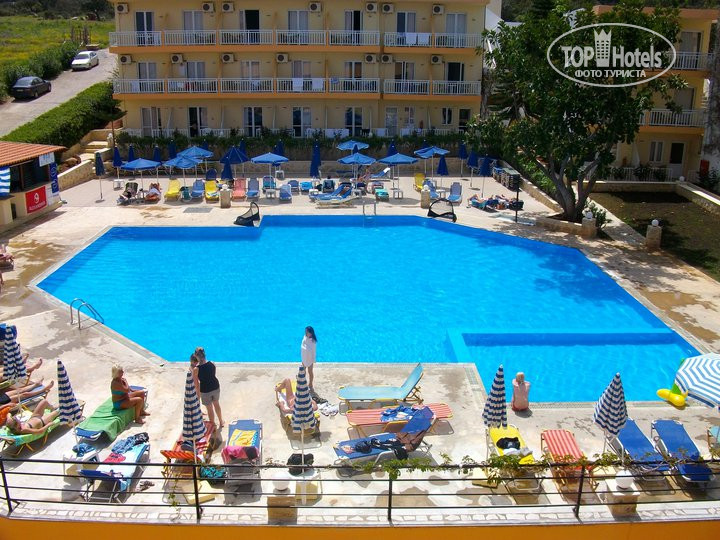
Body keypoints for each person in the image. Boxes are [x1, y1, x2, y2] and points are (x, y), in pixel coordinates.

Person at [193, 347, 223, 427]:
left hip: (205, 390)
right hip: (215, 387)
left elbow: (196, 384)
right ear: (204, 354)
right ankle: (221, 421)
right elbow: (212, 375)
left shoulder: (196, 369)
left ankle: (213, 426)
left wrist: (198, 395)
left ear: (196, 356)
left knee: (209, 409)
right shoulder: (212, 363)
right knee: (216, 404)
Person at [301, 326, 317, 392]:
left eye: (307, 332)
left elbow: (314, 351)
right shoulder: (305, 337)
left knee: (310, 372)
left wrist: (313, 360)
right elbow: (302, 345)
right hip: (304, 357)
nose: (306, 333)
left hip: (310, 359)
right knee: (303, 372)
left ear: (311, 333)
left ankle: (310, 384)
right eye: (305, 331)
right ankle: (303, 383)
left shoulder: (313, 341)